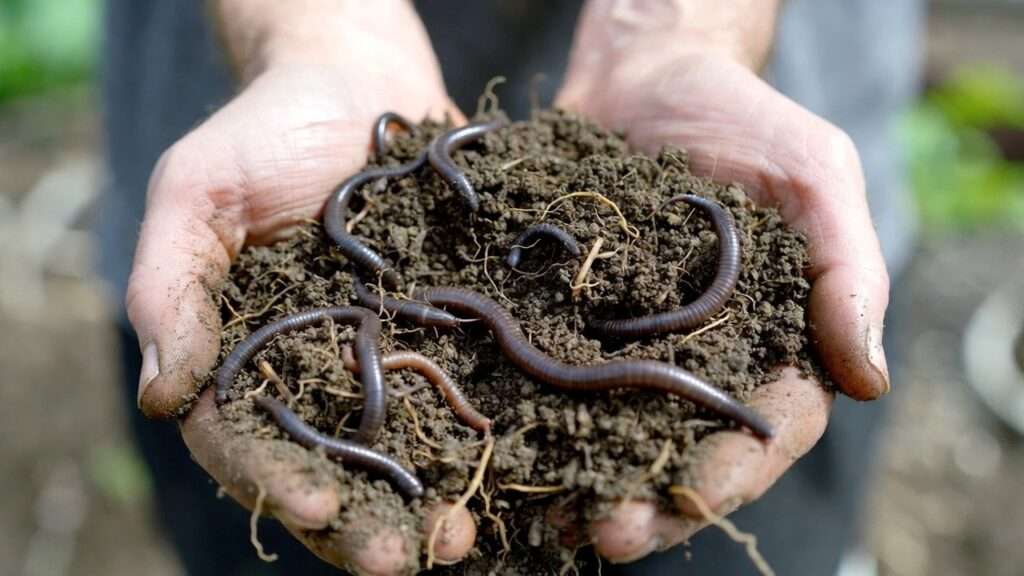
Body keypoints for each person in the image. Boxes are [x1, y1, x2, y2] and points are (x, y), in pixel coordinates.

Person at [100, 1, 923, 574]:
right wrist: (311, 26)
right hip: (250, 71)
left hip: (773, 59)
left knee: (747, 537)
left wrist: (687, 26)